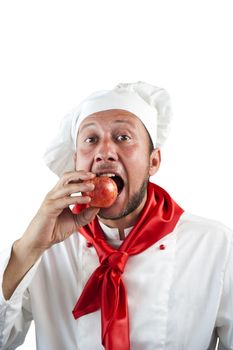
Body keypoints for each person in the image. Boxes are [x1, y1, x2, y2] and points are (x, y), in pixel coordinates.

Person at [0, 82, 232, 350]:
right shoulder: (44, 250)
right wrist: (30, 245)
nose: (105, 152)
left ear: (153, 161)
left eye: (123, 137)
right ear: (76, 161)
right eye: (91, 139)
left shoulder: (216, 246)